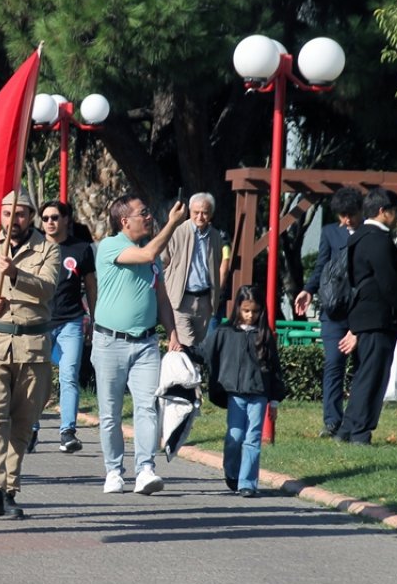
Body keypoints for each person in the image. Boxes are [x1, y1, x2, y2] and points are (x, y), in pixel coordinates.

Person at [0, 189, 60, 519]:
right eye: (8, 214)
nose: (13, 220)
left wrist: (15, 275)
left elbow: (47, 288)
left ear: (31, 217)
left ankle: (8, 489)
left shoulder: (49, 249)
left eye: (20, 214)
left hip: (32, 348)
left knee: (21, 424)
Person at [92, 193, 186, 495]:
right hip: (109, 342)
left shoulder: (152, 255)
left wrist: (172, 333)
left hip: (146, 343)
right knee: (110, 413)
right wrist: (172, 223)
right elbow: (146, 255)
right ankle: (114, 471)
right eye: (142, 213)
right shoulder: (110, 246)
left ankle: (145, 469)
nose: (148, 217)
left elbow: (161, 298)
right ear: (124, 221)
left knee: (147, 407)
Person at [337, 188, 397, 445]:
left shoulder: (360, 237)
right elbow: (390, 282)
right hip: (378, 317)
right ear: (383, 211)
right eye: (395, 212)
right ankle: (360, 432)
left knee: (365, 374)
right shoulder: (378, 239)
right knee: (373, 377)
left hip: (364, 315)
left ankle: (347, 428)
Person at [186, 286, 286, 497]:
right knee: (235, 436)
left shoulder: (265, 335)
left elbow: (275, 370)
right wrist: (182, 349)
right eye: (246, 310)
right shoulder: (224, 332)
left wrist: (274, 400)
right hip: (235, 394)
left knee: (253, 437)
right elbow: (203, 352)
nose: (250, 315)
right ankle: (232, 473)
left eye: (255, 311)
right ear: (238, 308)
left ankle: (247, 483)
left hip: (259, 394)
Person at [294, 187, 363, 438]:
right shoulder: (330, 233)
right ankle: (332, 421)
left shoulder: (369, 233)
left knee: (361, 369)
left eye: (350, 215)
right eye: (342, 215)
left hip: (360, 311)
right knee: (334, 363)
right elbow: (321, 266)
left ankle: (355, 423)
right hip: (334, 312)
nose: (346, 220)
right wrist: (308, 290)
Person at [32, 200, 96, 454]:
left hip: (71, 321)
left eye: (55, 217)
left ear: (67, 219)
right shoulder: (34, 248)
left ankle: (67, 431)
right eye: (45, 218)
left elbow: (91, 286)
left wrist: (93, 318)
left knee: (69, 375)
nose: (50, 222)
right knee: (37, 378)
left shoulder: (81, 249)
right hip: (38, 322)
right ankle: (31, 428)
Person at [161, 192, 224, 347]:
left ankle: (194, 370)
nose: (200, 217)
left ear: (211, 214)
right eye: (196, 212)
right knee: (187, 345)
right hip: (181, 299)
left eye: (205, 213)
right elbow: (163, 261)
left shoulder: (215, 236)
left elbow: (218, 263)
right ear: (189, 211)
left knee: (200, 347)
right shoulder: (177, 231)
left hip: (205, 300)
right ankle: (190, 370)